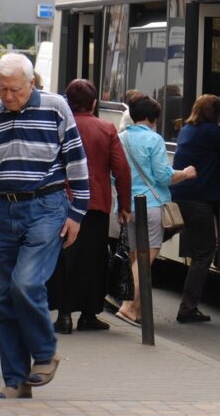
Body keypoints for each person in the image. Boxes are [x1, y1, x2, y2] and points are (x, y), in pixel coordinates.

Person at [0, 53, 90, 399]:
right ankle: (15, 379)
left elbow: (77, 162)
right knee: (3, 300)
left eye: (15, 89)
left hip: (46, 206)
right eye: (2, 89)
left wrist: (76, 214)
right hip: (3, 210)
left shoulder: (55, 107)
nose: (8, 96)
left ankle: (46, 352)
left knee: (25, 283)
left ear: (31, 82)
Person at [48, 79, 132, 334]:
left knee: (64, 258)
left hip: (62, 203)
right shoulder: (106, 129)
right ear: (94, 103)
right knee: (93, 260)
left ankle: (63, 315)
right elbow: (122, 170)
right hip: (96, 205)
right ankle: (88, 314)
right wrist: (124, 205)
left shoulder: (57, 126)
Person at [115, 96, 196, 325]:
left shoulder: (120, 138)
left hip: (127, 207)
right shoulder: (154, 139)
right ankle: (128, 306)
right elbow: (163, 176)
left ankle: (139, 310)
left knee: (135, 260)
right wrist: (187, 173)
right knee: (144, 260)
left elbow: (114, 176)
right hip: (150, 206)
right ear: (152, 118)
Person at [170, 94, 220, 324]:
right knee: (204, 253)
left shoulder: (186, 130)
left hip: (178, 196)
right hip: (199, 200)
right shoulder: (212, 133)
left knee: (150, 243)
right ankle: (188, 308)